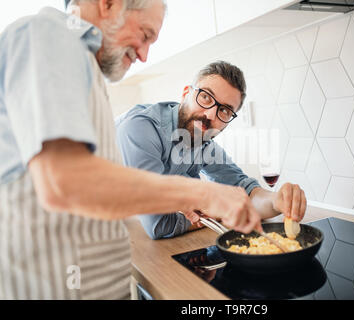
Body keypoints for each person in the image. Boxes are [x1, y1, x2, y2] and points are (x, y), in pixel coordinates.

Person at [0, 0, 261, 300]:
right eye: (145, 33)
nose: (144, 54)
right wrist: (203, 194)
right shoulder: (49, 36)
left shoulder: (83, 69)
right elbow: (63, 183)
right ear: (108, 4)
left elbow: (94, 191)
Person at [115, 61, 307, 240]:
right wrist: (219, 212)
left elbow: (244, 190)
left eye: (224, 110)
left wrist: (276, 201)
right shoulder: (141, 128)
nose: (210, 115)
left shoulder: (203, 144)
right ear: (185, 94)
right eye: (206, 97)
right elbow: (158, 225)